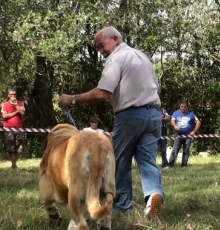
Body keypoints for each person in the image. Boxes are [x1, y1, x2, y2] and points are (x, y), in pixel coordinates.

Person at [58, 26, 164, 219]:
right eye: (98, 48)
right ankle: (153, 195)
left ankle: (123, 207)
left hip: (130, 115)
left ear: (115, 39)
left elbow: (103, 92)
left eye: (102, 45)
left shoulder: (116, 59)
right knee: (148, 159)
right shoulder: (143, 57)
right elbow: (157, 89)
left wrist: (73, 99)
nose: (102, 51)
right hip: (154, 114)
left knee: (121, 161)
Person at [166, 101, 201, 168]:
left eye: (185, 107)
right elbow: (172, 120)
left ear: (187, 107)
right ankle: (170, 165)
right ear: (180, 107)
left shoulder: (191, 114)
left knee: (186, 150)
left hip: (188, 136)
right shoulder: (175, 113)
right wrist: (175, 126)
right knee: (174, 150)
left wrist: (194, 131)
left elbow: (198, 122)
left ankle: (184, 165)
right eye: (182, 107)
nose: (183, 108)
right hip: (178, 135)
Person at [1, 88, 26, 170]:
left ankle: (14, 165)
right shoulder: (5, 104)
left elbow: (22, 112)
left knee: (18, 148)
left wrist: (16, 105)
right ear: (8, 95)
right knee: (11, 148)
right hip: (9, 128)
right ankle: (14, 166)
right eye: (11, 94)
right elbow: (4, 116)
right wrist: (15, 112)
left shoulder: (20, 103)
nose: (13, 96)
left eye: (14, 94)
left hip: (19, 128)